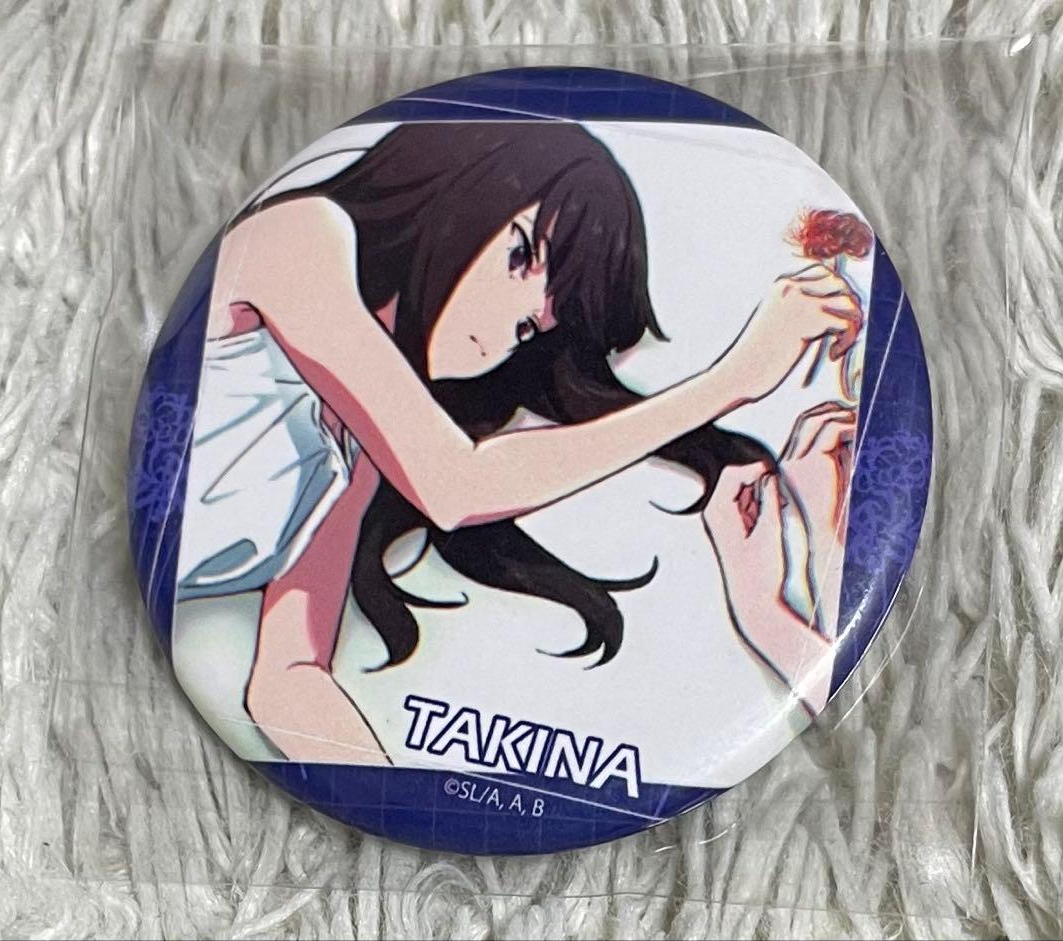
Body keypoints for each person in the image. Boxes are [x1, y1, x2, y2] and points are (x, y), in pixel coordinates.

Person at [177, 122, 862, 764]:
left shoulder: (354, 459)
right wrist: (729, 382)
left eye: (534, 328)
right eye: (519, 255)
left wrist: (398, 801)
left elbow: (288, 679)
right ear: (462, 189)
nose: (509, 324)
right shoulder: (303, 236)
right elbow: (454, 484)